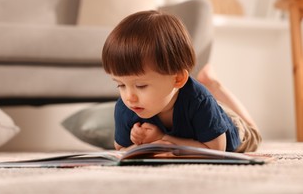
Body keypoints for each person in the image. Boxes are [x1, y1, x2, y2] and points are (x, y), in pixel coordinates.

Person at [101, 10, 261, 153]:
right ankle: (212, 86)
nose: (129, 97)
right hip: (202, 114)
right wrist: (145, 144)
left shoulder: (200, 101)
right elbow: (121, 149)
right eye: (120, 85)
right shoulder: (126, 107)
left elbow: (216, 149)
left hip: (228, 125)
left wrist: (164, 139)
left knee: (254, 133)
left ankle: (214, 86)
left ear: (177, 78)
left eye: (141, 86)